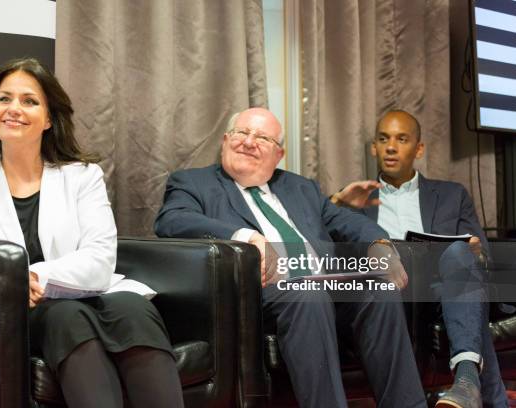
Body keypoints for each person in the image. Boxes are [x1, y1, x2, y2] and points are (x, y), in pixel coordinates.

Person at [0, 58, 184, 408]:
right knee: (66, 316)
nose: (14, 108)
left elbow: (100, 258)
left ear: (49, 119)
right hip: (22, 310)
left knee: (133, 308)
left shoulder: (83, 177)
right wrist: (10, 285)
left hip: (90, 292)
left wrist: (28, 274)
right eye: (4, 98)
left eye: (29, 101)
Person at [154, 107, 427, 407]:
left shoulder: (300, 188)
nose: (248, 142)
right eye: (241, 133)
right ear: (225, 140)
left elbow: (347, 221)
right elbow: (173, 220)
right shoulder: (194, 183)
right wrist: (245, 237)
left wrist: (378, 243)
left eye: (262, 138)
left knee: (379, 289)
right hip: (258, 297)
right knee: (307, 292)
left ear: (279, 154)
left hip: (325, 288)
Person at [332, 110, 507, 408]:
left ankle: (467, 382)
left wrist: (474, 252)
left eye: (402, 139)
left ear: (419, 148)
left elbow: (481, 255)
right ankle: (474, 387)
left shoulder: (452, 194)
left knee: (457, 253)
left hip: (445, 287)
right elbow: (327, 252)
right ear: (374, 147)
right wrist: (337, 203)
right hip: (392, 291)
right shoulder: (355, 200)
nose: (390, 147)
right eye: (383, 139)